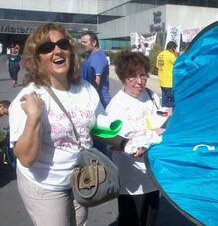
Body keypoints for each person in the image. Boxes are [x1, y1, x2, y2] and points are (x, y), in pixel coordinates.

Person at [8, 23, 133, 226]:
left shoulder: (85, 89)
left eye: (62, 44)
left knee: (79, 221)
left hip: (79, 177)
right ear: (37, 58)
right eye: (47, 48)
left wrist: (125, 143)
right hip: (45, 185)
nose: (57, 50)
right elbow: (26, 158)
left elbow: (96, 127)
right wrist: (34, 116)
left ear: (70, 50)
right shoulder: (30, 97)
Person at [106, 51, 165, 226]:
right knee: (131, 221)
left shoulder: (151, 96)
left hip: (152, 176)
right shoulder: (115, 107)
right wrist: (149, 136)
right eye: (132, 77)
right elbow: (113, 144)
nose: (139, 81)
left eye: (142, 75)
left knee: (150, 220)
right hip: (130, 181)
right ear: (123, 78)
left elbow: (159, 122)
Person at [80, 31, 111, 108]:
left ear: (94, 43)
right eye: (81, 42)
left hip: (100, 101)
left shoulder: (98, 58)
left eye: (84, 42)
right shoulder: (92, 55)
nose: (82, 45)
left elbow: (96, 83)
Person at [156, 41, 178, 108]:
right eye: (175, 49)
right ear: (172, 48)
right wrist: (176, 56)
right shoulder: (170, 55)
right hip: (169, 82)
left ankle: (165, 115)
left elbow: (157, 67)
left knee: (165, 102)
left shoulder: (160, 55)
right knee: (174, 102)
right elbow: (178, 64)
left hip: (162, 82)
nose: (175, 50)